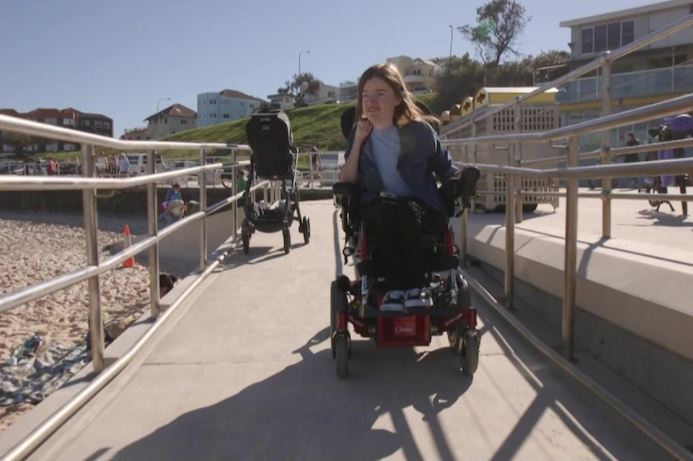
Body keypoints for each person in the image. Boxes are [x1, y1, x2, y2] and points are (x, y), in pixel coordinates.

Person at [340, 63, 459, 310]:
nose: (370, 102)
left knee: (403, 210)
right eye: (365, 95)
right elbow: (347, 181)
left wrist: (459, 185)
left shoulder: (420, 132)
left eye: (380, 94)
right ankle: (393, 292)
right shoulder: (359, 133)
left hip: (419, 207)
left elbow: (447, 169)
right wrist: (359, 142)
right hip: (377, 207)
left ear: (397, 98)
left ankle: (413, 290)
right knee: (386, 209)